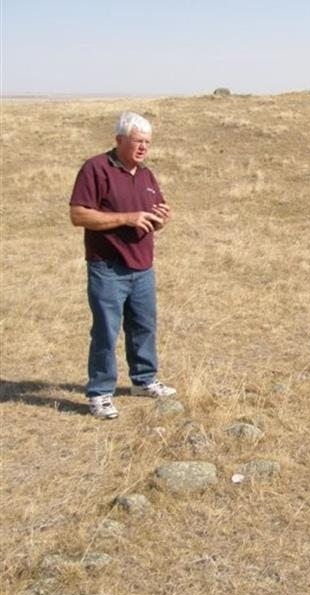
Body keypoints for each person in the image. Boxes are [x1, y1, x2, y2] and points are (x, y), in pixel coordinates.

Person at [69, 111, 177, 419]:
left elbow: (152, 219)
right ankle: (100, 392)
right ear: (119, 140)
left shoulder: (146, 175)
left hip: (143, 267)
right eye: (137, 141)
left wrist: (161, 220)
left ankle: (144, 381)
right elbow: (78, 215)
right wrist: (127, 218)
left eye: (147, 142)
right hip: (108, 268)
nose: (143, 148)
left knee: (143, 327)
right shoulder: (96, 169)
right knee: (106, 330)